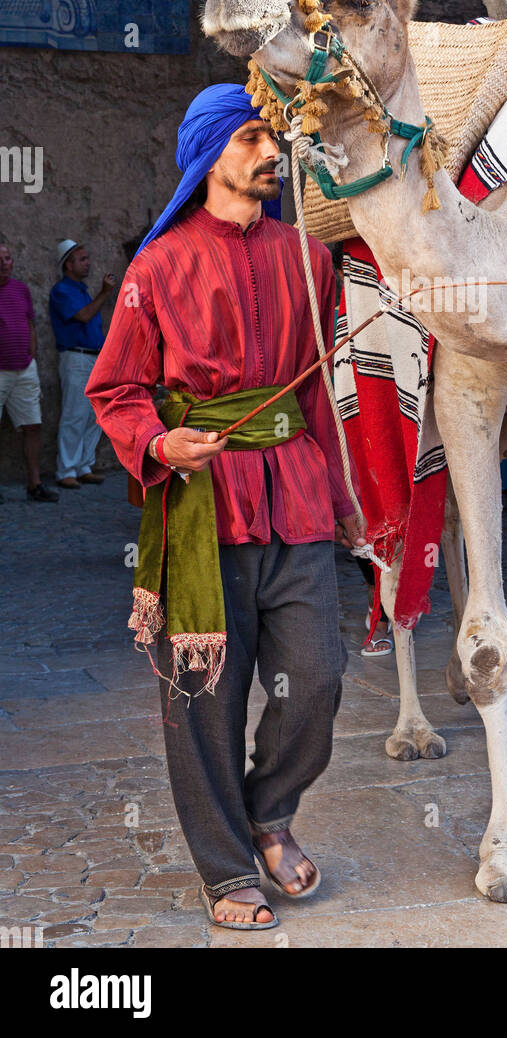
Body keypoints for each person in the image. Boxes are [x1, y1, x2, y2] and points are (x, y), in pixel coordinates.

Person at [85, 84, 365, 930]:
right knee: (205, 692)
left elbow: (320, 397)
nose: (272, 150)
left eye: (273, 135)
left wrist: (348, 500)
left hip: (299, 497)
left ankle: (268, 811)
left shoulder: (310, 260)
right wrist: (161, 444)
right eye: (253, 137)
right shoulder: (157, 266)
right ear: (212, 154)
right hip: (201, 505)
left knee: (316, 677)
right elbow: (115, 388)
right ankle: (225, 866)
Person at [49, 240, 115, 488]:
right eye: (82, 259)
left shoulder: (81, 290)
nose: (88, 263)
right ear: (69, 264)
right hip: (75, 357)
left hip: (93, 356)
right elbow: (84, 316)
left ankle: (83, 466)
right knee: (74, 414)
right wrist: (105, 293)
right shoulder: (62, 291)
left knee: (93, 415)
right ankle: (66, 469)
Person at [0, 241, 57, 502]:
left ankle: (34, 484)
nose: (4, 263)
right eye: (0, 258)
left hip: (24, 369)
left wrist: (31, 353)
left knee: (33, 425)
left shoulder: (21, 289)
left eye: (8, 258)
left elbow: (30, 322)